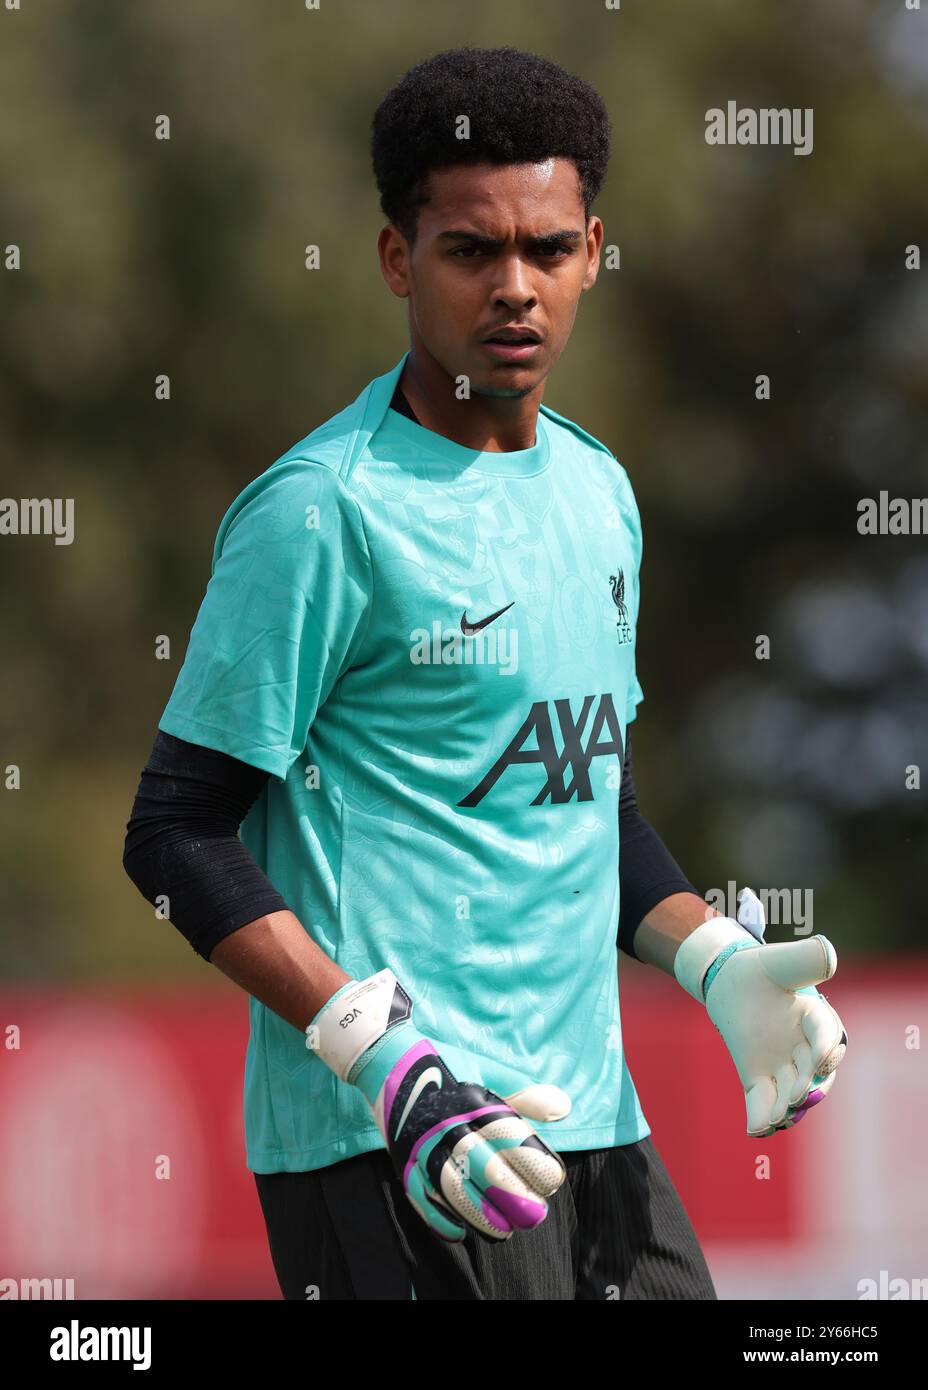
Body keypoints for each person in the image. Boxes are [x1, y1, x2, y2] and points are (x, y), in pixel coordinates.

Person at [123, 46, 846, 1301]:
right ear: (400, 260)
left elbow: (584, 802)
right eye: (471, 251)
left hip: (592, 1125)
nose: (515, 287)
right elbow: (174, 834)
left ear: (594, 251)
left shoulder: (598, 492)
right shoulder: (319, 513)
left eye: (548, 248)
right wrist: (390, 1068)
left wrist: (715, 959)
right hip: (399, 1144)